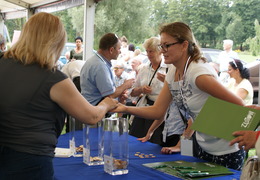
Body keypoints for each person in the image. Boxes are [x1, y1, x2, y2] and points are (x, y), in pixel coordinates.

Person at [113, 22, 245, 170]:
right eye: (161, 46)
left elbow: (239, 105)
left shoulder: (198, 73)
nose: (162, 51)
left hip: (226, 150)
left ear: (184, 45)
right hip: (202, 146)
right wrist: (124, 108)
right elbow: (158, 110)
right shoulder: (172, 72)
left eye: (167, 45)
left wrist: (207, 124)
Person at [0, 12, 117, 179]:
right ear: (56, 42)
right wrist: (106, 103)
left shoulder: (3, 64)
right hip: (31, 160)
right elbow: (91, 116)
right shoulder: (52, 78)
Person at [129, 37, 168, 145]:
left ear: (160, 51)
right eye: (147, 51)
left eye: (151, 51)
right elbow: (132, 92)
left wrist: (167, 81)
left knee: (155, 143)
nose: (148, 54)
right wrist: (141, 89)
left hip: (162, 111)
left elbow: (177, 89)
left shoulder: (169, 68)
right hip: (145, 107)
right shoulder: (144, 69)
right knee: (135, 140)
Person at [80, 33, 135, 106]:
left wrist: (119, 96)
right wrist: (125, 85)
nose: (120, 51)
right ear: (111, 50)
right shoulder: (100, 66)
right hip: (95, 111)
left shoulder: (94, 61)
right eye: (119, 48)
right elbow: (110, 95)